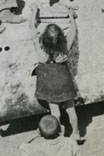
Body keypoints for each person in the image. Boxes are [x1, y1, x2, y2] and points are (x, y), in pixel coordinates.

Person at [30, 11, 84, 143]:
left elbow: (32, 27)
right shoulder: (65, 47)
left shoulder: (39, 46)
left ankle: (58, 136)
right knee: (71, 109)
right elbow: (73, 29)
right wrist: (71, 15)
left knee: (55, 113)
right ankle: (76, 133)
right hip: (63, 80)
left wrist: (34, 11)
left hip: (48, 82)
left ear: (44, 38)